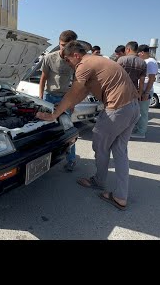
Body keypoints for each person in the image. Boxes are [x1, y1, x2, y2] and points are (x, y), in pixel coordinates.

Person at [36, 41, 140, 210]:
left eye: (68, 60)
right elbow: (82, 92)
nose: (68, 64)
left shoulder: (84, 64)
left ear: (76, 55)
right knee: (120, 151)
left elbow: (73, 92)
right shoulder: (97, 61)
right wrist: (68, 105)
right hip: (133, 108)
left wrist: (54, 114)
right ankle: (121, 196)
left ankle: (98, 181)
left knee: (100, 146)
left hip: (117, 109)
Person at [38, 30, 78, 172]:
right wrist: (41, 97)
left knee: (68, 128)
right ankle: (45, 158)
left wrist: (72, 102)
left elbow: (76, 82)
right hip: (49, 97)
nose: (63, 48)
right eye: (61, 45)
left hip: (65, 98)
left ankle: (71, 159)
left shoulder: (75, 60)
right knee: (46, 129)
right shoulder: (49, 58)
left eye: (67, 45)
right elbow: (43, 78)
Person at [131, 44, 158, 139]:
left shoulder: (150, 62)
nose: (138, 55)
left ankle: (141, 132)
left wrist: (146, 93)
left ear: (142, 53)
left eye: (138, 53)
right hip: (142, 91)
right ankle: (138, 129)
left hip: (145, 91)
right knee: (139, 112)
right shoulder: (146, 61)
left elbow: (151, 78)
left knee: (143, 113)